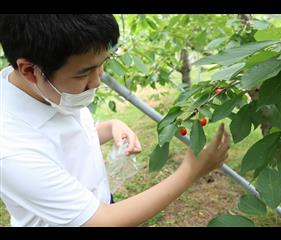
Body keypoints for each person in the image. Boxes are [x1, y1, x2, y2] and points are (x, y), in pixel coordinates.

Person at [0, 14, 230, 227]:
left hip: (97, 201)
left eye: (102, 63)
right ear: (29, 70)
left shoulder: (47, 90)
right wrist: (191, 170)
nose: (97, 81)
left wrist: (109, 128)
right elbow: (102, 221)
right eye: (83, 73)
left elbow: (63, 140)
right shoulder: (10, 149)